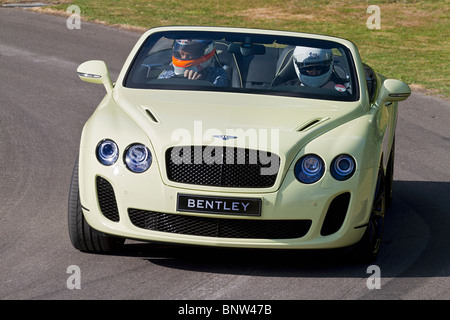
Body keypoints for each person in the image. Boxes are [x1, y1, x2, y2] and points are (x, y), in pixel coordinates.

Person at [158, 39, 229, 87]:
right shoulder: (167, 75)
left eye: (190, 55)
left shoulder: (218, 75)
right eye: (181, 54)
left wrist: (199, 84)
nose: (184, 58)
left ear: (207, 52)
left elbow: (217, 99)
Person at [283, 46, 348, 93]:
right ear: (298, 66)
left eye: (319, 67)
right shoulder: (286, 89)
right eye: (309, 68)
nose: (314, 72)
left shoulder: (340, 90)